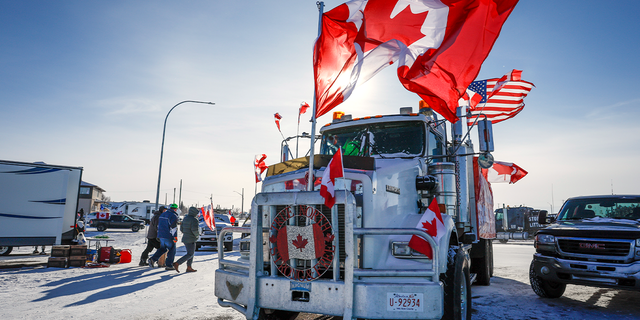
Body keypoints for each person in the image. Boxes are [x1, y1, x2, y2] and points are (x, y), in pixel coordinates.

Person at [148, 203, 179, 271]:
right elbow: (173, 227)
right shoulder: (173, 216)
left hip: (161, 235)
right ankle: (169, 265)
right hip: (168, 235)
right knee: (172, 249)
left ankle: (152, 259)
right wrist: (175, 236)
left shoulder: (162, 214)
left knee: (163, 248)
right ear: (175, 209)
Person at [172, 207, 200, 273]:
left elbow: (181, 228)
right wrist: (197, 235)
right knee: (190, 254)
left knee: (190, 253)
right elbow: (194, 230)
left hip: (185, 238)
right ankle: (177, 263)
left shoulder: (185, 218)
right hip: (191, 238)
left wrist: (186, 233)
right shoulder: (194, 220)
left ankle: (189, 267)